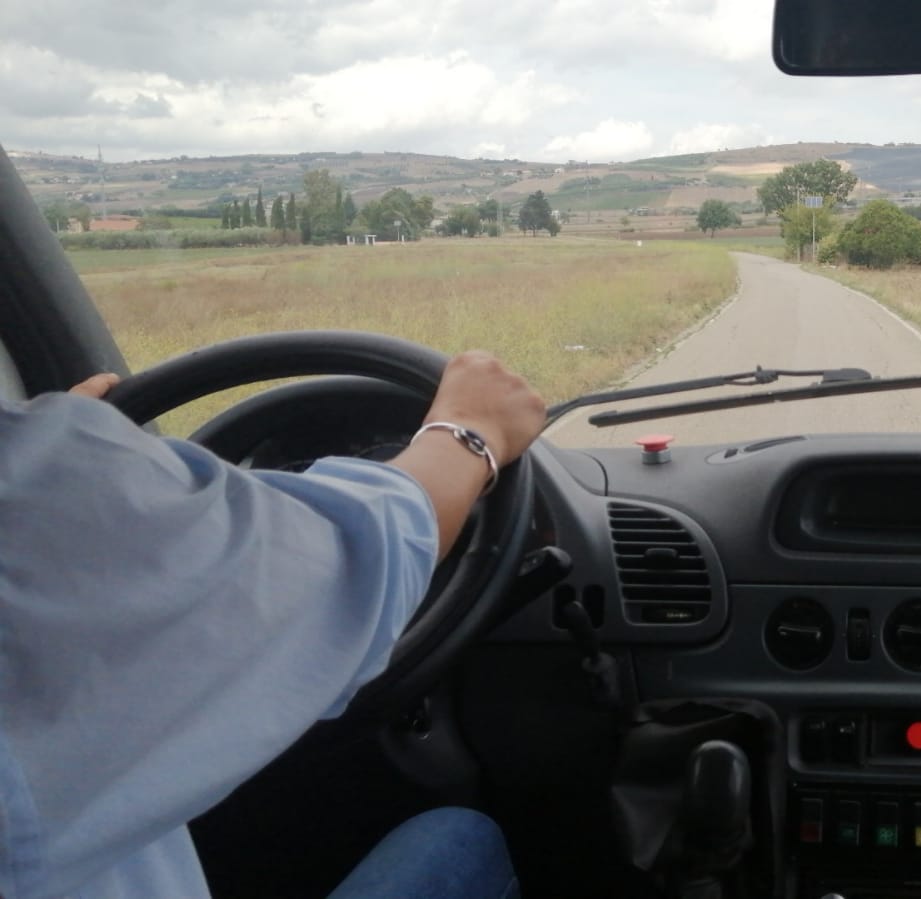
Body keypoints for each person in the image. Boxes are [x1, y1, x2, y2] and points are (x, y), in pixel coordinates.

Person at [0, 351, 547, 899]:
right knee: (459, 836)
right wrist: (473, 431)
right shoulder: (37, 499)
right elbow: (351, 556)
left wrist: (58, 456)